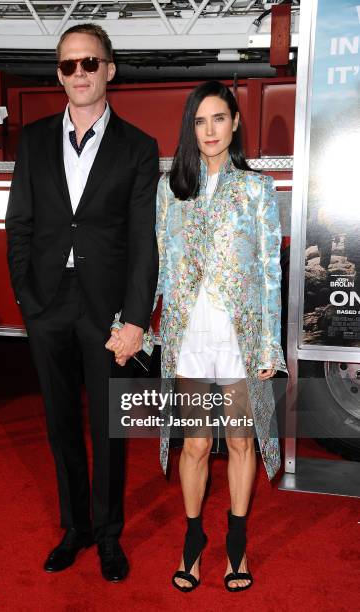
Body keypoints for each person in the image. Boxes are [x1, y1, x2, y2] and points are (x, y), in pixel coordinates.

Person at [5, 23, 159, 582]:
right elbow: (19, 222)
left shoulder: (139, 148)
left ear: (109, 70)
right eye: (68, 65)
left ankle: (109, 533)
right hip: (47, 304)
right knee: (60, 423)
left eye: (89, 63)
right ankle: (76, 528)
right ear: (59, 74)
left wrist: (137, 319)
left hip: (108, 312)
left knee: (109, 428)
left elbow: (145, 240)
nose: (78, 74)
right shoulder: (35, 138)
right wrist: (27, 298)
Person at [154, 81, 287, 593]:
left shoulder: (257, 189)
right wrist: (140, 322)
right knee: (194, 443)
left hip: (237, 336)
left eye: (218, 119)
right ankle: (193, 540)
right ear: (191, 129)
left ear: (234, 122)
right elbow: (160, 265)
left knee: (238, 440)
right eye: (199, 121)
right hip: (189, 334)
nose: (209, 130)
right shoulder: (172, 189)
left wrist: (270, 344)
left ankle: (237, 541)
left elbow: (270, 272)